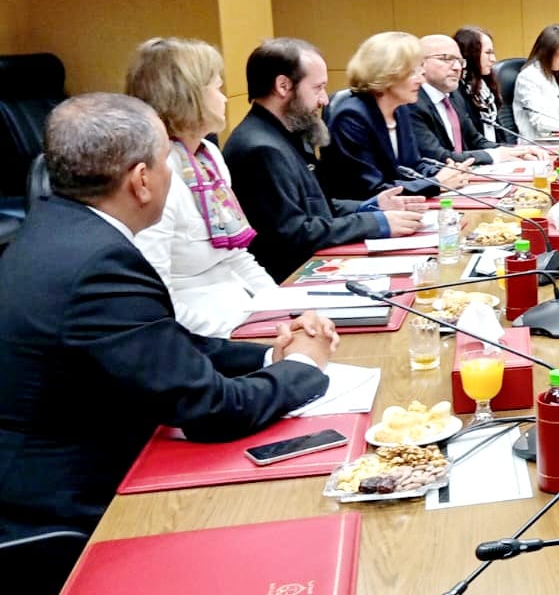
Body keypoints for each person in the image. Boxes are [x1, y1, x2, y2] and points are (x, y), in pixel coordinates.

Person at [0, 94, 335, 593]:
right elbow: (211, 410)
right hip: (73, 514)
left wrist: (269, 355)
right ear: (141, 180)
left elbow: (163, 344)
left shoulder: (57, 229)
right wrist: (304, 369)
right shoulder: (100, 264)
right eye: (166, 163)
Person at [223, 37, 425, 282]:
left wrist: (372, 206)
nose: (325, 100)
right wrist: (375, 223)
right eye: (317, 88)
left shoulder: (285, 134)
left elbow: (317, 206)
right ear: (283, 86)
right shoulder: (261, 149)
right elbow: (295, 233)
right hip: (291, 278)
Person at [124, 37, 276, 337]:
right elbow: (158, 301)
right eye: (217, 88)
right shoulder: (156, 177)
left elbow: (236, 255)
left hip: (242, 315)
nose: (225, 98)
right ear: (188, 97)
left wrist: (285, 310)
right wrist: (240, 337)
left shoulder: (209, 156)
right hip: (202, 335)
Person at [319, 31, 472, 201]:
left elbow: (412, 165)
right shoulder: (351, 117)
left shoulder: (400, 109)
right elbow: (369, 189)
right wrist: (436, 183)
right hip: (362, 212)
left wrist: (446, 172)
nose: (421, 80)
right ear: (386, 73)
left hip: (400, 207)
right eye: (413, 71)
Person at [405, 34, 530, 166]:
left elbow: (476, 140)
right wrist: (495, 156)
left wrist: (517, 152)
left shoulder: (454, 95)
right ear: (420, 63)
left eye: (460, 61)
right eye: (446, 59)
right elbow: (438, 156)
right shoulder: (412, 102)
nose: (457, 67)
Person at [512, 23, 559, 139]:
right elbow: (541, 122)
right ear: (547, 51)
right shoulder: (528, 77)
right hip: (537, 145)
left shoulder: (553, 77)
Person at [454, 25, 506, 143]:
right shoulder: (457, 92)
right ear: (470, 54)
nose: (493, 59)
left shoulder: (485, 88)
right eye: (488, 53)